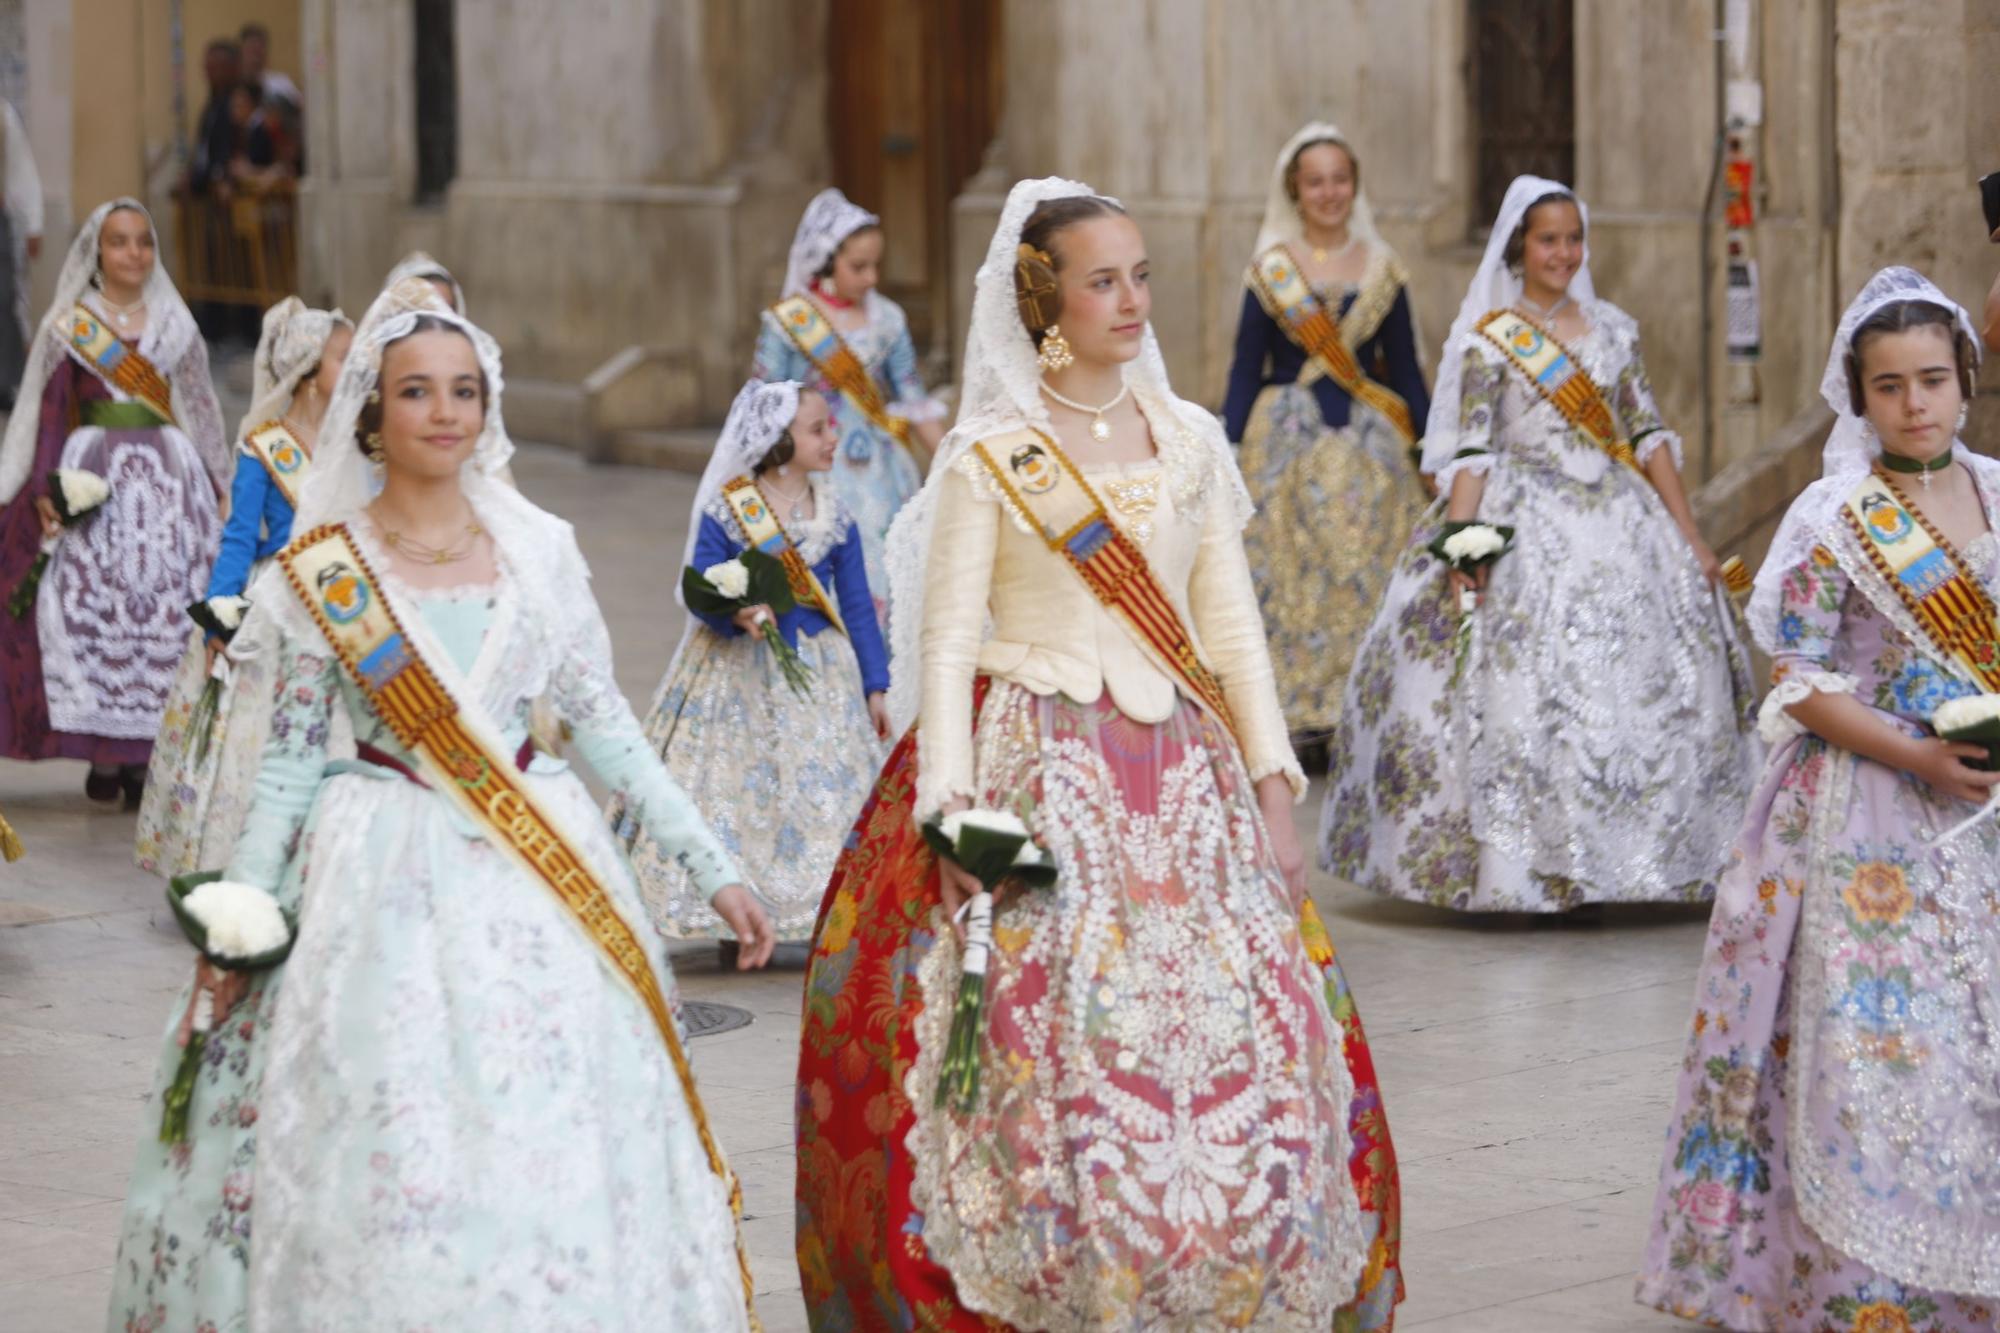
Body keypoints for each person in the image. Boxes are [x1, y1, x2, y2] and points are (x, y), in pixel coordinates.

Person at [794, 177, 1403, 1331]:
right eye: (1102, 280)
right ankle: (1067, 1269)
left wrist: (1277, 796)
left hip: (1187, 777)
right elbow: (947, 639)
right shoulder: (988, 451)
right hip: (1043, 765)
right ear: (1043, 302)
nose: (1130, 300)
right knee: (1058, 1039)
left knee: (1230, 1045)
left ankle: (1227, 1265)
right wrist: (950, 812)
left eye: (1138, 275)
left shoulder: (1187, 438)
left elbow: (1229, 631)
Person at [107, 287, 777, 1332]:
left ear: (487, 407)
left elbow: (605, 725)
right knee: (396, 1125)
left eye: (462, 390)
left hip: (539, 870)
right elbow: (286, 769)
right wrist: (235, 917)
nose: (443, 411)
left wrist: (711, 864)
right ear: (369, 412)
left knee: (550, 1119)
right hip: (376, 879)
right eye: (415, 391)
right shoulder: (318, 573)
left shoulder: (541, 550)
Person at [1637, 267, 2000, 1331]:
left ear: (1963, 380)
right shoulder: (1833, 512)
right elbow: (1796, 676)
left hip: (1981, 805)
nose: (1914, 404)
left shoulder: (1994, 487)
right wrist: (1918, 755)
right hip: (1863, 809)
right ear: (1859, 395)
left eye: (1930, 379)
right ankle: (1860, 1281)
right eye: (1887, 386)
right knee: (1880, 1054)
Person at [1318, 176, 1759, 912]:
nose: (1563, 252)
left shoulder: (1615, 329)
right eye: (1548, 239)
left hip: (1621, 516)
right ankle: (1530, 864)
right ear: (1521, 246)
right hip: (1523, 516)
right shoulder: (1496, 338)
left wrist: (1689, 533)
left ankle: (1648, 857)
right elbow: (1476, 449)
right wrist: (1464, 545)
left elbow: (1647, 434)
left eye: (1573, 239)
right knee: (1517, 684)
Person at [611, 378, 890, 948]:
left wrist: (876, 685)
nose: (833, 436)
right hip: (736, 670)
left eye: (831, 426)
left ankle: (823, 906)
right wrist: (732, 612)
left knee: (822, 787)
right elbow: (700, 583)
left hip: (820, 674)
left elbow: (858, 606)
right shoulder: (731, 504)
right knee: (734, 787)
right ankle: (727, 905)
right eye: (818, 429)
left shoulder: (837, 513)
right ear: (778, 441)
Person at [0, 200, 228, 803]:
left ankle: (145, 756)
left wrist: (218, 479)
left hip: (167, 485)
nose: (134, 253)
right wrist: (48, 485)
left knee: (164, 615)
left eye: (144, 242)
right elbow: (49, 412)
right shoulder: (72, 325)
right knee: (95, 615)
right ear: (96, 254)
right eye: (120, 242)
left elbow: (201, 408)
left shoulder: (176, 325)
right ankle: (104, 756)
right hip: (95, 483)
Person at [1220, 122, 1431, 748]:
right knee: (1287, 570)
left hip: (1370, 442)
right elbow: (1244, 366)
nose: (1329, 192)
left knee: (1372, 566)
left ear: (1354, 185)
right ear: (1295, 189)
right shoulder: (1271, 272)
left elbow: (1407, 371)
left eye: (1339, 179)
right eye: (1316, 181)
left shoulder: (1384, 269)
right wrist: (1228, 449)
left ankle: (1364, 711)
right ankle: (1291, 718)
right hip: (1285, 435)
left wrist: (1428, 446)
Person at [134, 297, 351, 878]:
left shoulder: (359, 446)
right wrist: (220, 619)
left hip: (345, 604)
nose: (359, 370)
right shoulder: (266, 447)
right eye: (344, 358)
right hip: (278, 608)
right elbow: (236, 539)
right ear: (306, 371)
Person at [753, 187, 944, 632]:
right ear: (824, 262)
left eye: (876, 265)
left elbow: (913, 399)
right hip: (811, 468)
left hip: (881, 471)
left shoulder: (889, 320)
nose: (871, 277)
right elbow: (764, 405)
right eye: (858, 266)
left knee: (888, 572)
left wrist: (954, 459)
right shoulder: (789, 324)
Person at [1, 97, 44, 409]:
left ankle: (6, 385)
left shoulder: (3, 115)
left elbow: (21, 168)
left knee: (5, 300)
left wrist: (34, 222)